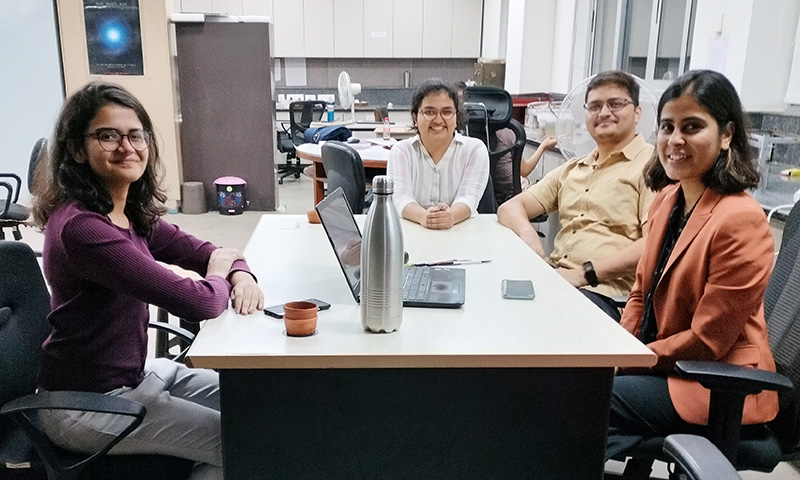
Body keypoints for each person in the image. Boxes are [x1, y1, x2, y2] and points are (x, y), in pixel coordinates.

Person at [31, 81, 265, 480]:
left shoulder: (125, 212)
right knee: (247, 444)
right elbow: (198, 302)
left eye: (135, 134)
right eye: (108, 135)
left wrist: (240, 273)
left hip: (136, 377)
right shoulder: (83, 228)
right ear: (75, 149)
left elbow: (210, 251)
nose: (127, 146)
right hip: (85, 406)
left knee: (260, 401)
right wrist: (221, 276)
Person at [605, 70, 778, 461]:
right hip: (665, 364)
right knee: (570, 391)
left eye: (692, 126)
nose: (675, 140)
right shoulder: (668, 200)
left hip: (715, 383)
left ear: (727, 134)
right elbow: (640, 293)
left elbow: (708, 341)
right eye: (667, 127)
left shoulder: (740, 220)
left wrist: (630, 363)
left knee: (579, 403)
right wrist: (613, 351)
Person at [497, 70, 655, 321]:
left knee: (524, 327)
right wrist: (531, 240)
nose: (604, 112)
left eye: (615, 104)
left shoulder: (652, 167)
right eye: (595, 106)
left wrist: (584, 273)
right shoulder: (573, 168)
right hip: (555, 278)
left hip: (605, 294)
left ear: (637, 113)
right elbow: (509, 208)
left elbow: (654, 243)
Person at [387, 78, 489, 230]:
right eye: (429, 112)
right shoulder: (401, 151)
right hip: (412, 235)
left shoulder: (474, 150)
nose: (438, 120)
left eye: (447, 112)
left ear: (457, 117)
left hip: (460, 236)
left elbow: (469, 197)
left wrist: (452, 216)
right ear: (415, 118)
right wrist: (424, 217)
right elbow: (400, 198)